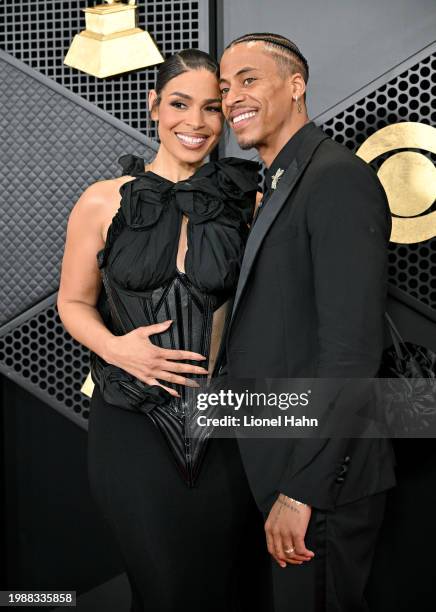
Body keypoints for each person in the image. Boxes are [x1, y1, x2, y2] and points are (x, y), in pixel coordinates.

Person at [57, 49, 272, 612]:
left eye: (211, 109)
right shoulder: (101, 201)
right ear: (154, 106)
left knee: (227, 591)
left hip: (226, 430)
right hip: (129, 429)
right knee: (165, 592)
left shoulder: (246, 200)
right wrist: (117, 349)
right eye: (180, 104)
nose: (194, 124)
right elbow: (73, 302)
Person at [219, 33, 396, 611]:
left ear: (296, 87)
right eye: (224, 87)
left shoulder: (335, 178)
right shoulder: (276, 183)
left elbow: (352, 352)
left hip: (320, 480)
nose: (231, 98)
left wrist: (303, 490)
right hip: (280, 459)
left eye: (248, 79)